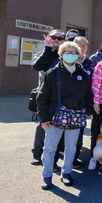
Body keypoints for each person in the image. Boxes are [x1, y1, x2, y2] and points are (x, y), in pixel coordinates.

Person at [37, 41, 93, 189]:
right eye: (67, 52)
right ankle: (47, 176)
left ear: (78, 55)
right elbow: (42, 97)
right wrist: (43, 118)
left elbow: (89, 95)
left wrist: (87, 112)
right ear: (61, 55)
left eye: (73, 52)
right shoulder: (52, 73)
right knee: (50, 148)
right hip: (54, 117)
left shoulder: (83, 74)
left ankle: (66, 173)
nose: (70, 55)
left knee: (71, 147)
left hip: (75, 116)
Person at [31, 29, 66, 166]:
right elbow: (37, 66)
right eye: (53, 37)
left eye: (59, 37)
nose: (56, 40)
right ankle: (37, 153)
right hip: (45, 97)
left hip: (62, 97)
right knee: (42, 125)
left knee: (60, 126)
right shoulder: (43, 53)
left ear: (64, 39)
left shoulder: (66, 54)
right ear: (48, 38)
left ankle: (55, 156)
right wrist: (47, 48)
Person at [71, 36, 95, 168]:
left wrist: (89, 107)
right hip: (65, 104)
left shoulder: (90, 63)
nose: (82, 48)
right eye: (80, 45)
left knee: (78, 134)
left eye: (85, 46)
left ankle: (74, 159)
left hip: (81, 105)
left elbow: (92, 85)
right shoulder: (66, 60)